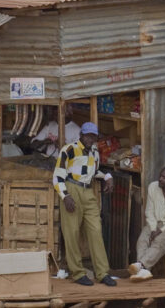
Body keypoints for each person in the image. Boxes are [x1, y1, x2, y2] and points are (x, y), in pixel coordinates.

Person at [52, 121, 117, 286]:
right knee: (72, 233)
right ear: (81, 135)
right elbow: (57, 176)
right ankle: (77, 273)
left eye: (93, 136)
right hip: (72, 189)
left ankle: (102, 273)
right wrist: (65, 196)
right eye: (87, 136)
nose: (90, 139)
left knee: (96, 230)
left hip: (88, 191)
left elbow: (93, 172)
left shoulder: (94, 151)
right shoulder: (69, 150)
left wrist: (107, 177)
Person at [129, 166, 165, 281]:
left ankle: (141, 266)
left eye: (164, 178)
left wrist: (160, 231)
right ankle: (144, 271)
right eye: (160, 176)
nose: (160, 179)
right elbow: (149, 212)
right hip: (155, 223)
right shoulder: (153, 187)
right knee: (142, 239)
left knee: (159, 241)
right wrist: (152, 229)